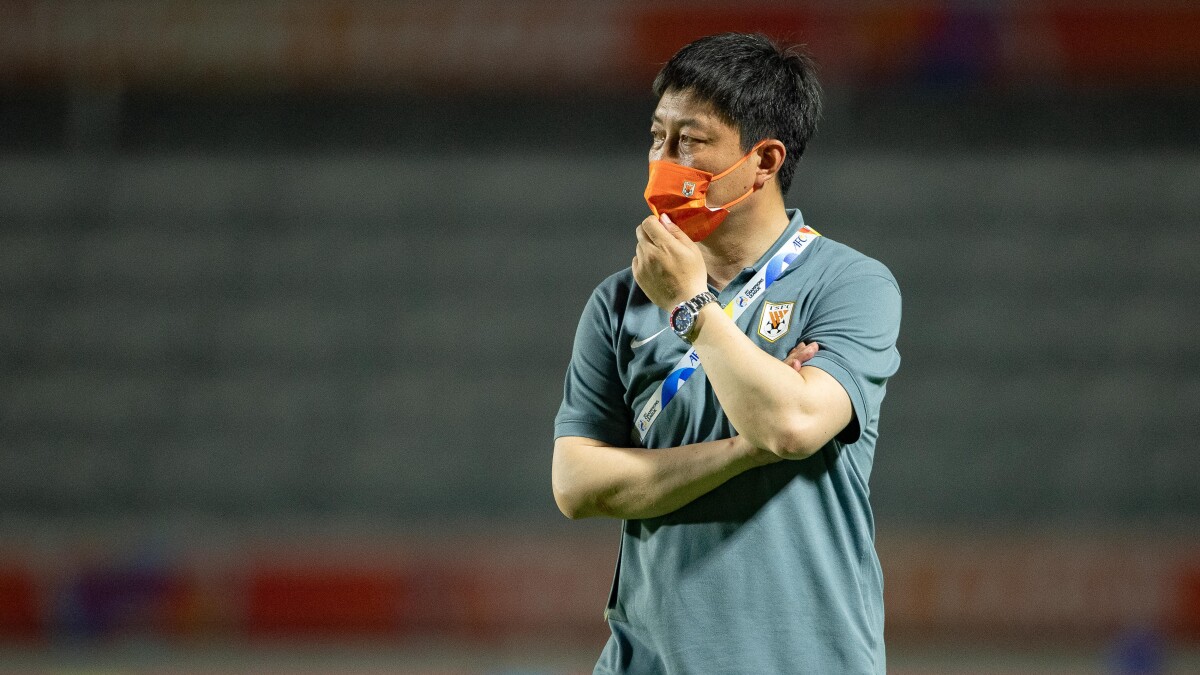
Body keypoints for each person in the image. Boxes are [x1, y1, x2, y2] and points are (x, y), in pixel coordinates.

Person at [552, 32, 901, 674]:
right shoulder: (618, 303)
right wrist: (745, 450)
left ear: (763, 161)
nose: (663, 162)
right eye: (657, 138)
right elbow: (576, 484)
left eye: (689, 142)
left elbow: (791, 426)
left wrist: (691, 308)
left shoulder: (850, 284)